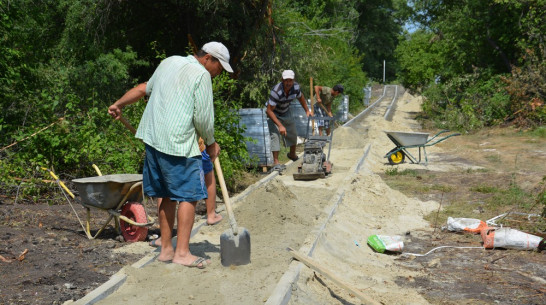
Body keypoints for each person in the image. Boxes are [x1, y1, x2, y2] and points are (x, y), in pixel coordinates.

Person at [108, 41, 233, 268]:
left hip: (153, 140)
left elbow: (143, 88)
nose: (219, 73)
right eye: (220, 68)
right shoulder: (201, 75)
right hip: (178, 144)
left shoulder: (169, 62)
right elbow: (203, 116)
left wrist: (119, 104)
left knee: (165, 195)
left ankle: (166, 250)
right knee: (189, 196)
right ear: (208, 59)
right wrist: (212, 143)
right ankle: (182, 253)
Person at [265, 70, 311, 170]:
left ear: (293, 80)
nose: (288, 83)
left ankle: (292, 154)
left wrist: (307, 110)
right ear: (282, 80)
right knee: (275, 135)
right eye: (286, 80)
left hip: (285, 111)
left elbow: (301, 97)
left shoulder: (296, 88)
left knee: (293, 132)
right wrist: (280, 125)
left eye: (290, 80)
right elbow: (268, 111)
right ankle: (276, 162)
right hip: (273, 113)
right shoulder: (276, 91)